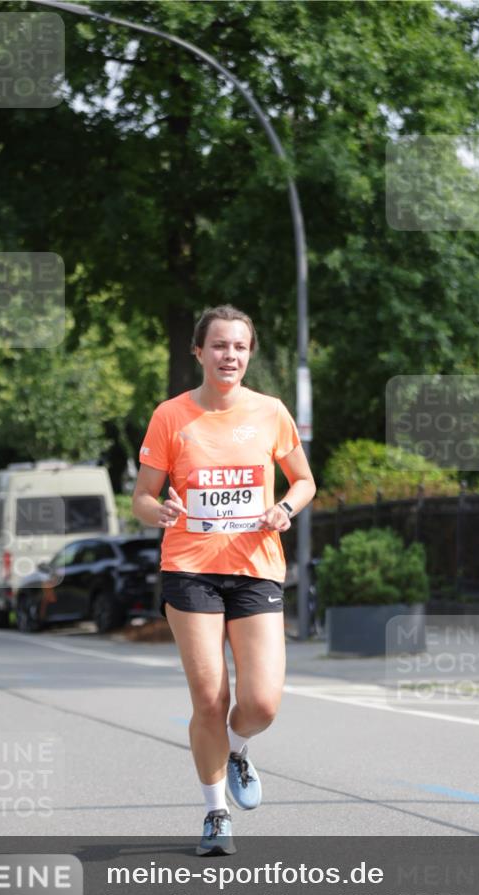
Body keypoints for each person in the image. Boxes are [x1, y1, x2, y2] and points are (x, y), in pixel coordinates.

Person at [132, 304, 316, 855]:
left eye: (238, 346)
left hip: (256, 568)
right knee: (210, 699)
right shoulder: (171, 416)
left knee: (261, 704)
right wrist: (159, 511)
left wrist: (284, 508)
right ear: (199, 352)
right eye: (218, 345)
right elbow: (142, 497)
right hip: (190, 570)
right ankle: (216, 814)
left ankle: (237, 747)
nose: (228, 355)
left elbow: (304, 481)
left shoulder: (271, 412)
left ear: (249, 354)